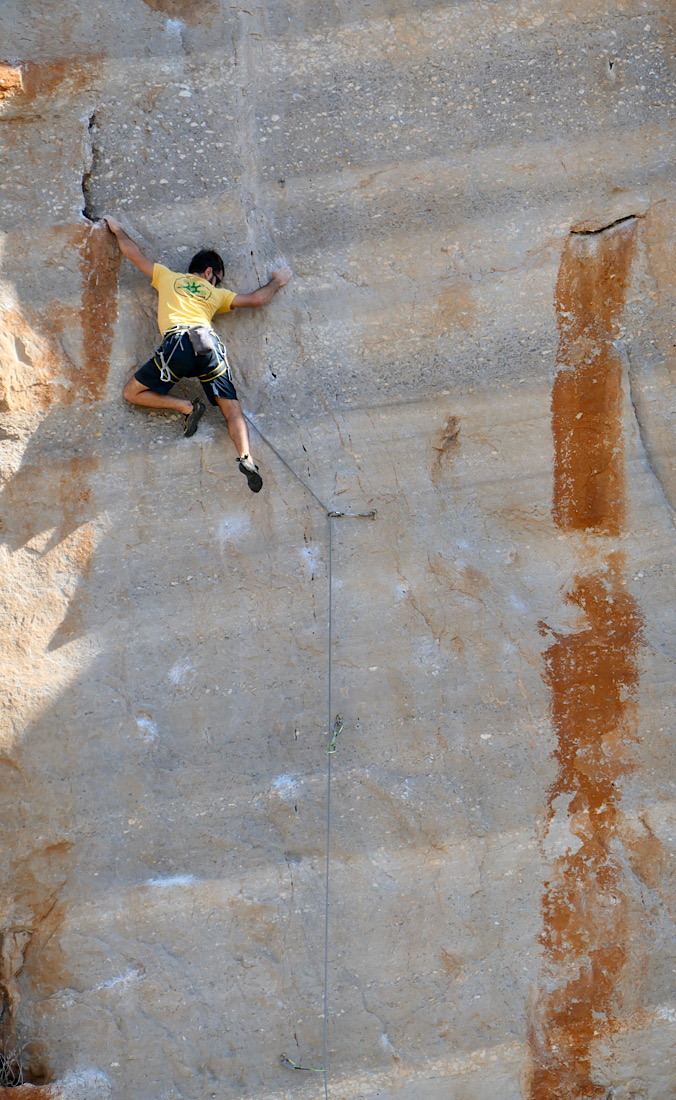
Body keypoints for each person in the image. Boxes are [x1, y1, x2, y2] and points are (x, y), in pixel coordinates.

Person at [103, 215, 293, 493]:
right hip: (208, 345)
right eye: (217, 279)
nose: (216, 284)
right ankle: (246, 456)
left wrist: (118, 230)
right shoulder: (216, 295)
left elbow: (133, 253)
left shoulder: (168, 277)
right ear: (209, 273)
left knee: (131, 393)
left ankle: (186, 407)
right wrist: (278, 281)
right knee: (232, 409)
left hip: (178, 344)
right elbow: (257, 299)